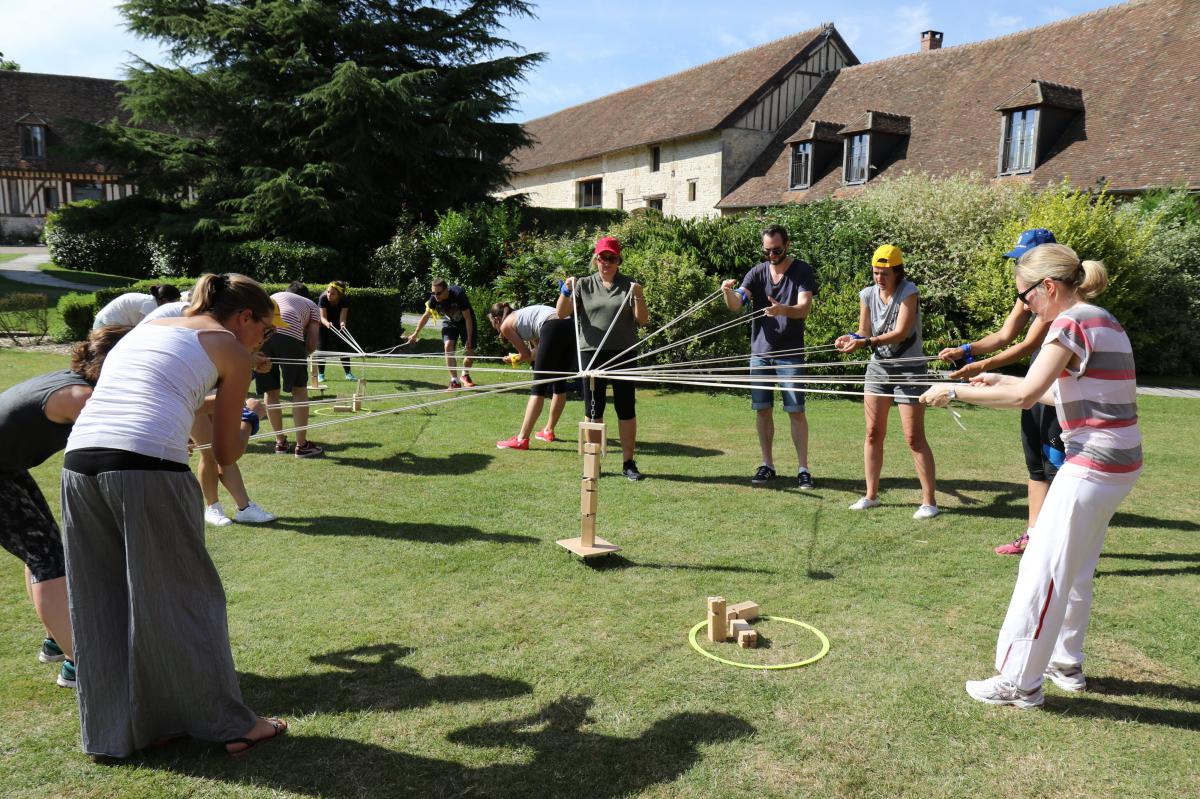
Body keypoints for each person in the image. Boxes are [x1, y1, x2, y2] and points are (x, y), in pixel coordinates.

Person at [61, 273, 287, 759]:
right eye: (265, 330)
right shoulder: (231, 348)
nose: (262, 341)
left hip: (79, 465)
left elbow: (165, 391)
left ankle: (119, 733)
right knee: (188, 599)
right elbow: (224, 453)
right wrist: (248, 419)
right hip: (147, 471)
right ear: (244, 317)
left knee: (103, 599)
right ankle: (233, 726)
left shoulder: (151, 326)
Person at [921, 244, 1140, 708]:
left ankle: (1019, 682)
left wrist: (954, 392)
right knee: (1076, 567)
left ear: (1049, 287)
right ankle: (1065, 662)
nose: (1024, 306)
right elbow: (1060, 394)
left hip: (1093, 464)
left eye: (1025, 296)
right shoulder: (1102, 318)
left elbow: (1027, 398)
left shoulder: (1069, 323)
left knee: (1043, 567)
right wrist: (1001, 380)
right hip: (1119, 464)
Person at [0, 325, 129, 689]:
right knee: (47, 558)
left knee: (43, 551)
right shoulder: (82, 397)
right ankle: (80, 664)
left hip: (7, 467)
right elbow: (115, 446)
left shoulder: (75, 381)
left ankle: (57, 639)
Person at [938, 228, 1065, 556]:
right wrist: (966, 350)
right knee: (1035, 466)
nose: (1017, 266)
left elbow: (1026, 345)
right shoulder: (1029, 295)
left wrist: (980, 367)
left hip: (1055, 388)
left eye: (1024, 259)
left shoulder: (1056, 304)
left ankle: (1061, 545)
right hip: (1036, 381)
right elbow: (1004, 335)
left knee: (1057, 470)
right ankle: (1034, 535)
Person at [835, 244, 938, 519]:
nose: (879, 278)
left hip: (910, 370)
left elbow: (901, 332)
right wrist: (852, 339)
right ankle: (871, 496)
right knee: (872, 433)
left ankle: (929, 502)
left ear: (897, 272)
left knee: (914, 438)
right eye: (875, 272)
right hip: (878, 370)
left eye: (885, 273)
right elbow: (863, 331)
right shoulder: (867, 294)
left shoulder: (909, 292)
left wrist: (866, 342)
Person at [721, 223, 818, 489]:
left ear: (787, 245)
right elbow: (736, 304)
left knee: (796, 411)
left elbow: (804, 308)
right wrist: (727, 293)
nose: (772, 256)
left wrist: (782, 310)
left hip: (790, 354)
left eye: (776, 251)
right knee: (762, 410)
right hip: (760, 354)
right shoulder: (757, 272)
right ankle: (767, 465)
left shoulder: (802, 271)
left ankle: (803, 469)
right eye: (767, 252)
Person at [556, 236, 649, 480]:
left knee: (625, 408)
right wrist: (566, 290)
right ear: (595, 259)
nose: (606, 262)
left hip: (623, 353)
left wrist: (639, 295)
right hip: (591, 353)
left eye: (612, 258)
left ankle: (628, 463)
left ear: (619, 260)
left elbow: (642, 320)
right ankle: (593, 463)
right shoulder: (583, 284)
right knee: (593, 409)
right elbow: (561, 313)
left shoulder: (629, 285)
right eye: (602, 257)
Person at [489, 302, 575, 449]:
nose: (495, 328)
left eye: (492, 324)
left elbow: (526, 355)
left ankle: (521, 439)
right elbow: (536, 352)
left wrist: (513, 359)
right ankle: (548, 431)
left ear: (496, 320)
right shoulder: (523, 317)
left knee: (538, 389)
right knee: (560, 385)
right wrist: (521, 356)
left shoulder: (506, 326)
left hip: (552, 326)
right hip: (569, 325)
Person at [257, 281, 324, 458]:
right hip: (290, 336)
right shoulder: (311, 305)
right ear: (305, 296)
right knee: (299, 390)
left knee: (271, 392)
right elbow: (312, 344)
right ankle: (302, 446)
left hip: (262, 335)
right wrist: (304, 353)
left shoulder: (274, 296)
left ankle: (280, 443)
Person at [406, 279, 477, 390]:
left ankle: (465, 375)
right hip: (450, 322)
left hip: (466, 322)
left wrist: (469, 338)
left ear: (446, 290)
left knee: (470, 351)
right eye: (433, 293)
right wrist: (416, 333)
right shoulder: (434, 298)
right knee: (448, 346)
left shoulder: (458, 294)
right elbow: (426, 316)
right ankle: (454, 381)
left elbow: (468, 318)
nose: (435, 296)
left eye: (438, 293)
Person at [315, 280, 355, 383]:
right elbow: (322, 317)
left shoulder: (344, 300)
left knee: (343, 346)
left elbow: (343, 318)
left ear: (339, 295)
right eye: (328, 292)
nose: (329, 295)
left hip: (337, 321)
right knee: (322, 346)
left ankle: (348, 374)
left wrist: (342, 324)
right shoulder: (323, 298)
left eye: (333, 293)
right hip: (324, 322)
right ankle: (321, 375)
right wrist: (327, 324)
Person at [92, 284, 181, 328]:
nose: (175, 305)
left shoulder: (149, 300)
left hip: (104, 322)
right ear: (165, 300)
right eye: (174, 301)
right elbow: (143, 329)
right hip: (106, 325)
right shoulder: (151, 306)